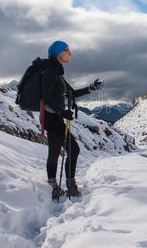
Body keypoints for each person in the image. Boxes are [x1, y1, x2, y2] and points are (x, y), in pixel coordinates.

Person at [43, 40, 102, 199]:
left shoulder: (57, 71)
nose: (70, 53)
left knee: (54, 151)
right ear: (59, 53)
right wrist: (61, 112)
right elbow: (45, 96)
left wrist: (91, 88)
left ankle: (53, 186)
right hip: (52, 118)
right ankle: (70, 185)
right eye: (67, 50)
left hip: (54, 118)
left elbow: (70, 93)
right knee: (73, 149)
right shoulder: (50, 71)